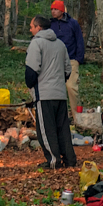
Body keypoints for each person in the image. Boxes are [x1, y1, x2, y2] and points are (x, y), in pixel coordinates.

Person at [25, 16, 76, 169]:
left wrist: (31, 84)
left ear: (38, 27)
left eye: (31, 26)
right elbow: (68, 69)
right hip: (60, 94)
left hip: (44, 94)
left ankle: (53, 160)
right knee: (62, 128)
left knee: (46, 130)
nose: (30, 29)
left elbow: (32, 69)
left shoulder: (36, 43)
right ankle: (70, 159)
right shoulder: (60, 44)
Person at [49, 0, 84, 122]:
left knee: (71, 87)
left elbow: (79, 40)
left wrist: (79, 59)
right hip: (54, 61)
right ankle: (58, 118)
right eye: (52, 9)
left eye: (56, 9)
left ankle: (77, 118)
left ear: (62, 10)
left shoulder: (73, 23)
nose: (53, 11)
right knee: (55, 88)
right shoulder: (50, 24)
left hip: (71, 59)